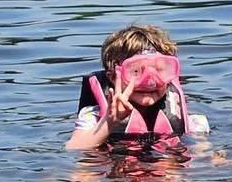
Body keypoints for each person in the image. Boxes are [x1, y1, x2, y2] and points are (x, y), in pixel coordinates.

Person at [66, 25, 211, 152]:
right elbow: (74, 148)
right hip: (117, 175)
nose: (149, 82)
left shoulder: (194, 122)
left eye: (159, 71)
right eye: (135, 72)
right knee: (83, 176)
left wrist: (213, 158)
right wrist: (109, 122)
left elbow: (203, 152)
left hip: (166, 175)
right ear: (112, 76)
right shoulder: (94, 117)